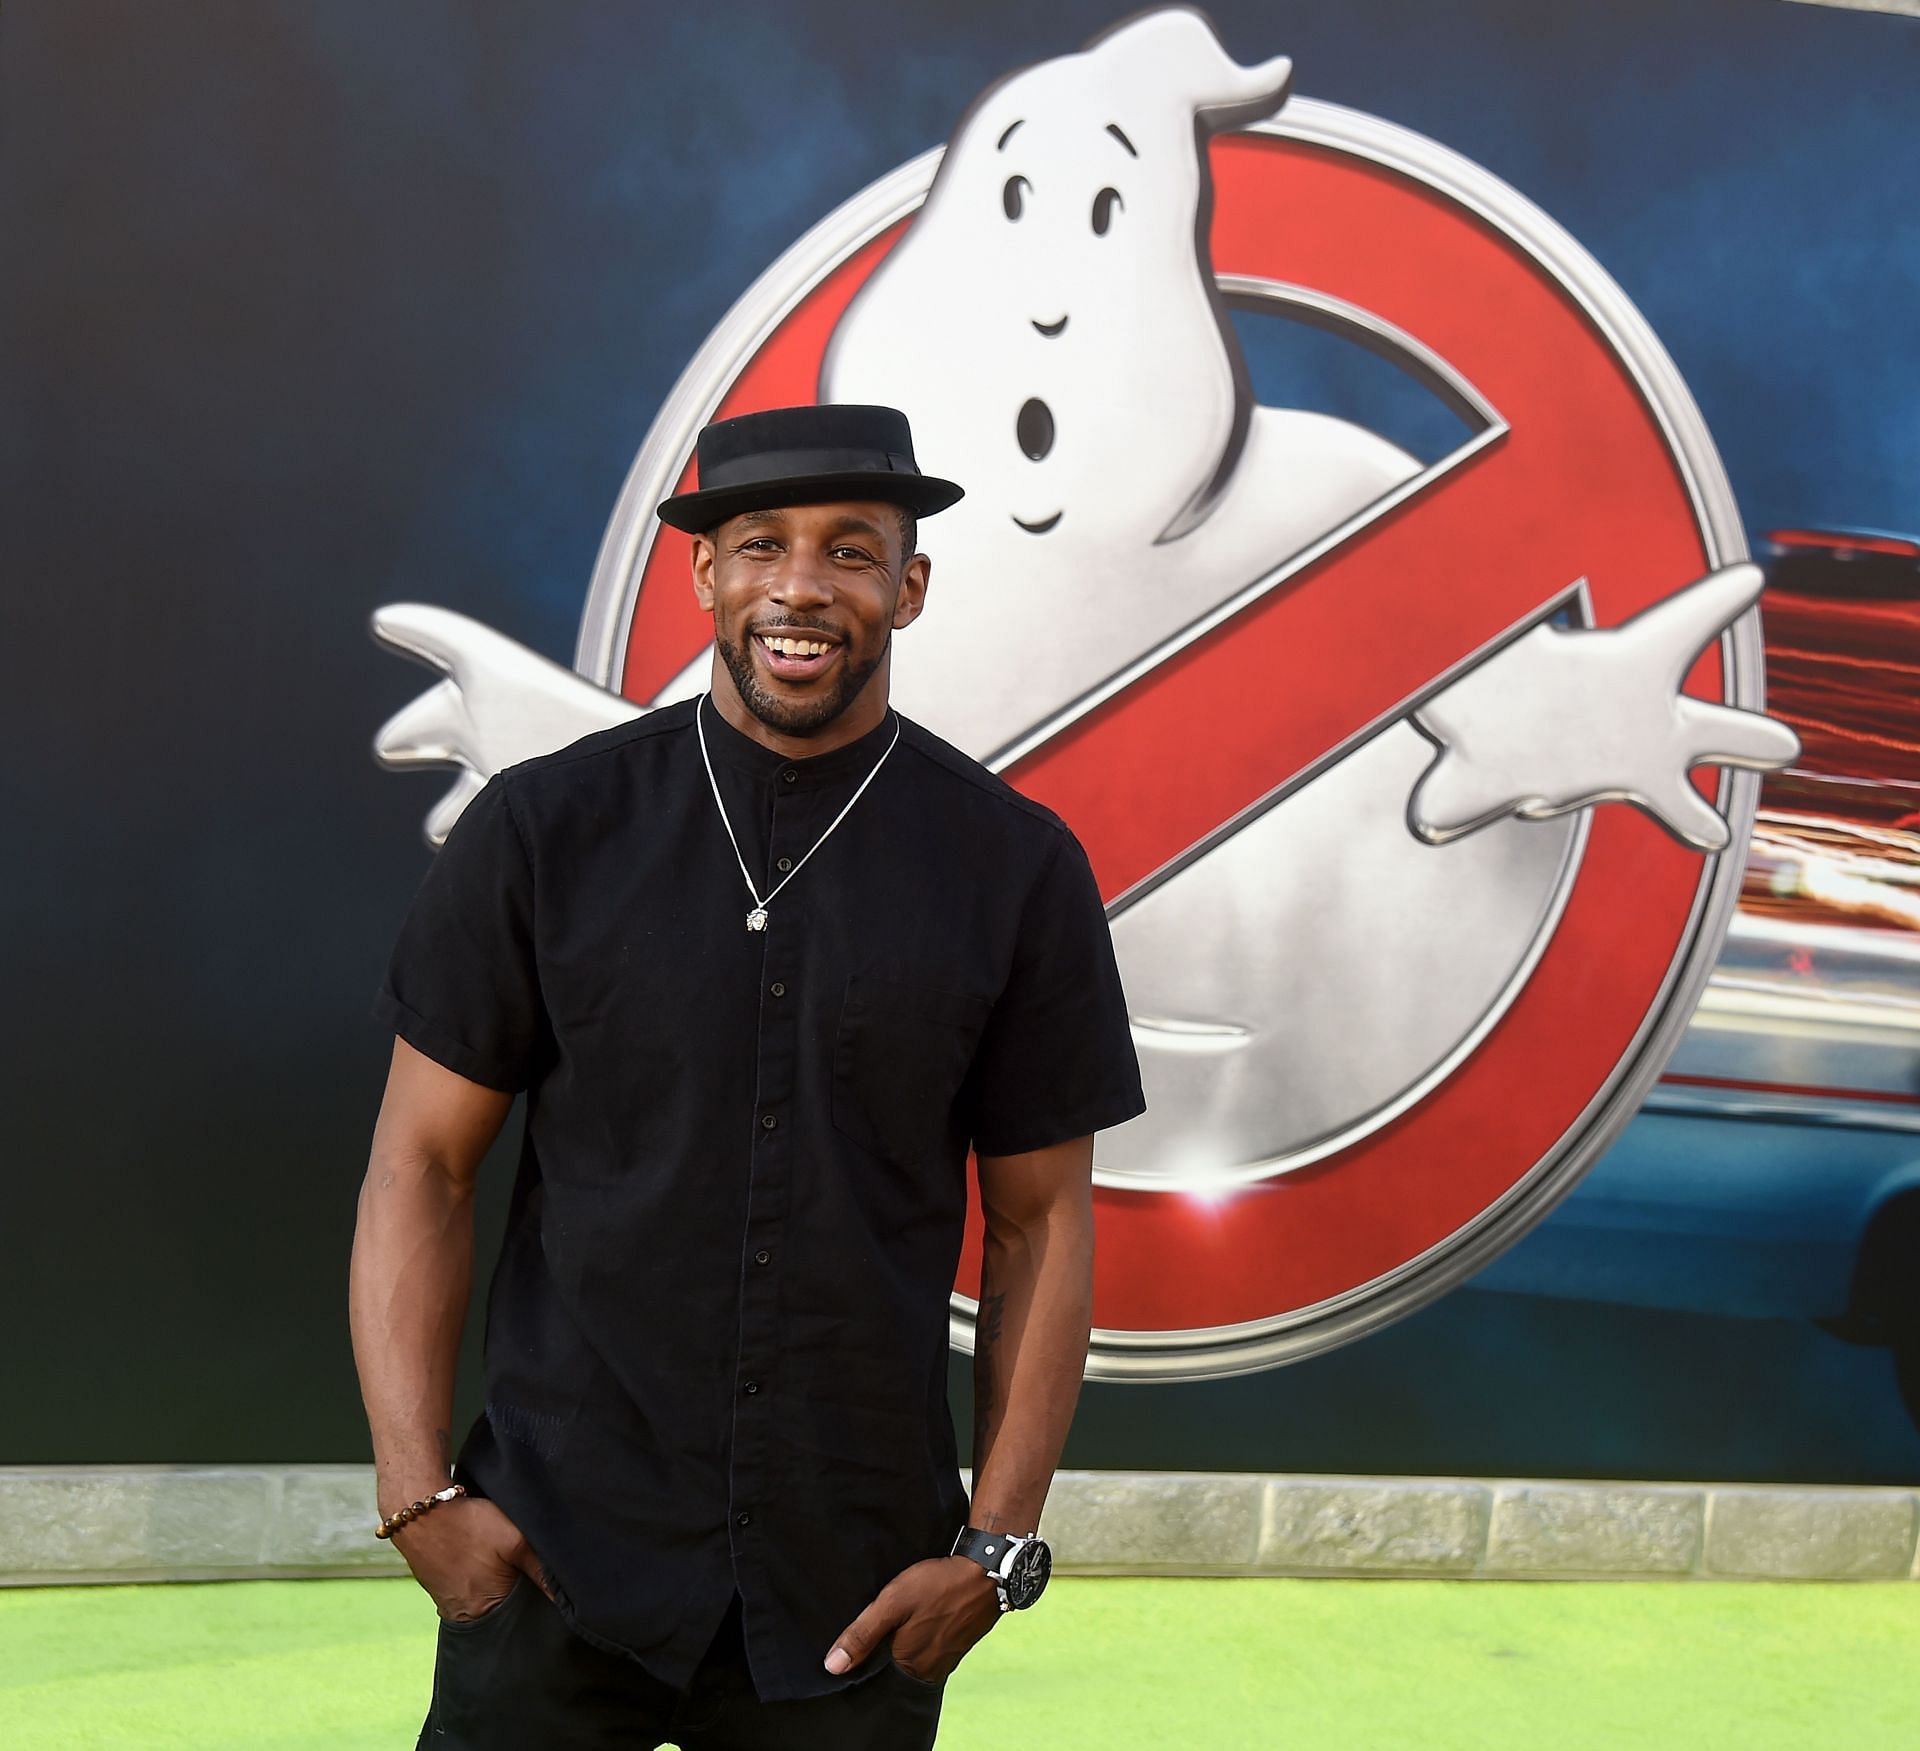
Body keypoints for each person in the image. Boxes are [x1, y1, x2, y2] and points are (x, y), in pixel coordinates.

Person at [350, 401, 1145, 1749]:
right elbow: (420, 1167)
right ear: (706, 572)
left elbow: (1041, 1221)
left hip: (854, 1585)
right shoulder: (544, 834)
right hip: (553, 1560)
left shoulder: (1012, 868)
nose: (800, 586)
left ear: (911, 583)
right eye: (759, 542)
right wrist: (420, 1498)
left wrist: (998, 1546)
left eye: (850, 550)